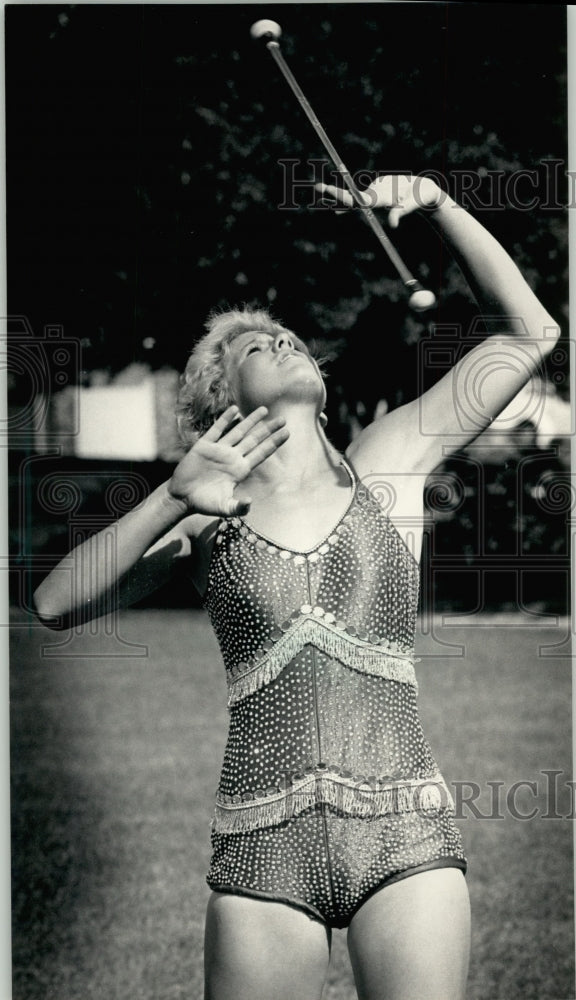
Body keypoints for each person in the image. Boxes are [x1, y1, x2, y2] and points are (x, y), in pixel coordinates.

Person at [33, 175, 559, 1000]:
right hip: (260, 847)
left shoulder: (389, 458)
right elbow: (55, 604)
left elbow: (533, 332)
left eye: (289, 338)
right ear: (221, 398)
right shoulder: (206, 512)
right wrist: (173, 494)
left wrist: (438, 204)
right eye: (254, 346)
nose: (284, 343)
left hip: (404, 833)